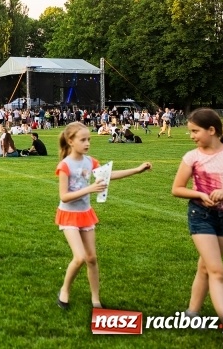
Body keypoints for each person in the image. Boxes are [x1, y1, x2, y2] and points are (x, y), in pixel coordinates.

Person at [170, 108, 223, 346]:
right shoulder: (191, 157)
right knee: (217, 271)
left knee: (206, 268)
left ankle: (191, 314)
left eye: (195, 131)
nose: (191, 136)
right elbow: (177, 188)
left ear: (212, 130)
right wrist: (199, 193)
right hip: (201, 215)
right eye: (190, 131)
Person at [55, 121, 152, 310]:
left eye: (89, 139)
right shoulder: (64, 166)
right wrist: (90, 188)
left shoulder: (90, 161)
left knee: (92, 258)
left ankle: (95, 299)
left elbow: (109, 175)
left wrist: (136, 170)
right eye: (83, 140)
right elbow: (64, 196)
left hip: (85, 214)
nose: (87, 143)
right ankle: (65, 290)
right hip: (68, 215)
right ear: (70, 141)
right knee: (80, 257)